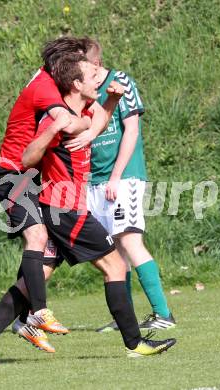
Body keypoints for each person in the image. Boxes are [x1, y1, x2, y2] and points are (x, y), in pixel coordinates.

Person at [0, 37, 119, 365]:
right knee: (38, 238)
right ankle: (37, 313)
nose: (94, 71)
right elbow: (67, 122)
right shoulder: (45, 88)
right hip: (13, 175)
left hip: (36, 181)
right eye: (88, 66)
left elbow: (80, 121)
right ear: (68, 68)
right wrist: (87, 125)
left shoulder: (54, 86)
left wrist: (98, 113)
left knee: (45, 262)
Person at [22, 53, 176, 357]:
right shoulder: (60, 117)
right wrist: (53, 131)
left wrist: (111, 102)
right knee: (115, 263)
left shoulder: (80, 111)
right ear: (76, 83)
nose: (100, 80)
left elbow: (96, 125)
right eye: (93, 76)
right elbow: (28, 158)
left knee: (47, 264)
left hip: (66, 206)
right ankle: (136, 341)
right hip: (64, 208)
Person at [77, 38, 176, 332]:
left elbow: (131, 130)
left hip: (123, 177)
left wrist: (117, 176)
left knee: (130, 241)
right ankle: (127, 319)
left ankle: (163, 314)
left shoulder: (120, 81)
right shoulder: (84, 88)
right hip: (95, 180)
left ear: (94, 63)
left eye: (80, 65)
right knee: (114, 250)